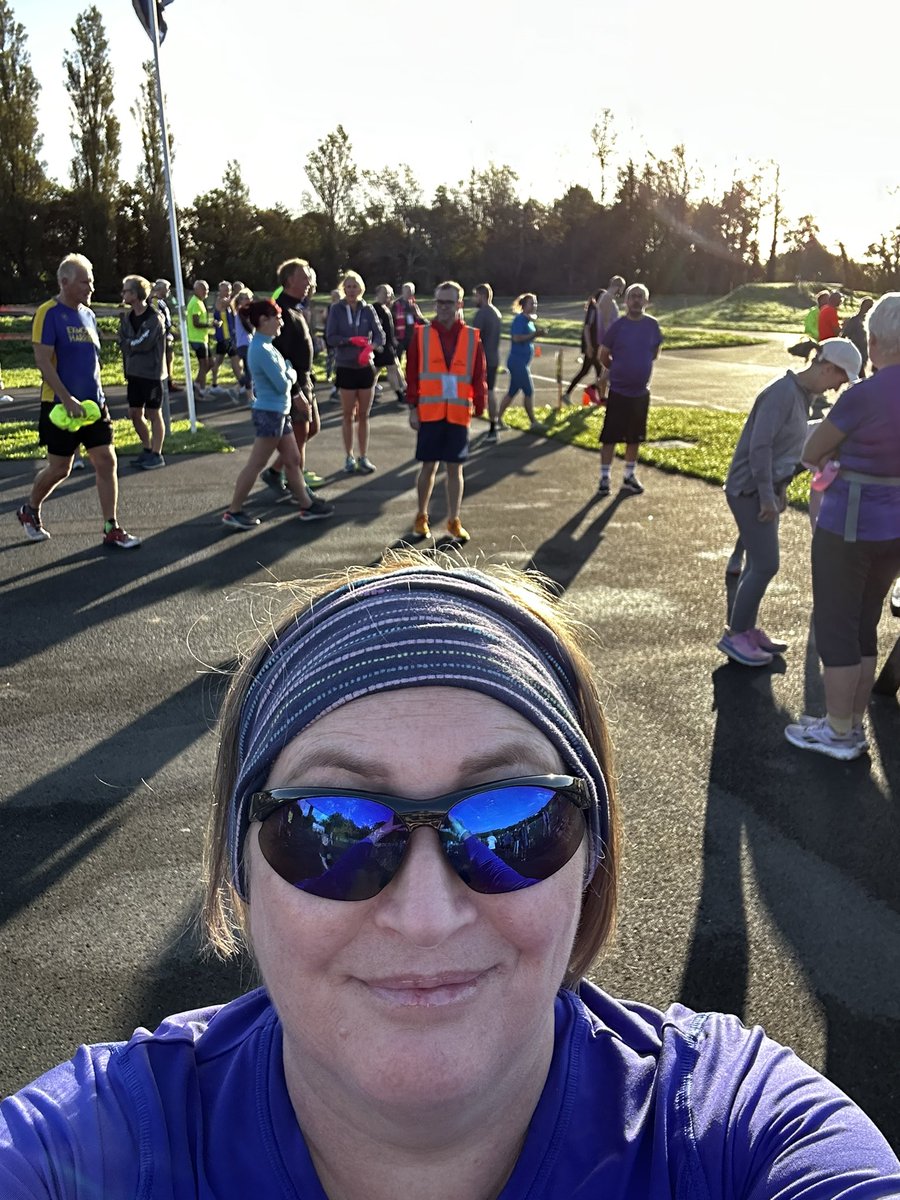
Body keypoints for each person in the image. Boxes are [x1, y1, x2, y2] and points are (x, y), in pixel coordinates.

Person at [4, 555, 900, 1196]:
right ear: (237, 869)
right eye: (332, 829)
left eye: (511, 821)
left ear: (592, 859)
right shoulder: (93, 1150)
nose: (426, 917)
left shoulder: (729, 1137)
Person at [784, 294, 900, 759]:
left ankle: (838, 733)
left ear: (873, 341)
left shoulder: (862, 395)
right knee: (865, 623)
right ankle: (848, 724)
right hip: (895, 527)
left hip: (850, 524)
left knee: (836, 625)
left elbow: (812, 452)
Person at [717, 339, 861, 667]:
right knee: (766, 564)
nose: (839, 386)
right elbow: (761, 448)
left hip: (762, 490)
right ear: (827, 368)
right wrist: (767, 495)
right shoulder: (782, 393)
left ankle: (745, 630)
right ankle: (736, 635)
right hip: (749, 492)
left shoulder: (801, 396)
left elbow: (786, 448)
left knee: (758, 564)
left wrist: (778, 489)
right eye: (840, 378)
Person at [16, 253, 140, 549]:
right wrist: (67, 398)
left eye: (92, 282)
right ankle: (30, 509)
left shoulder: (89, 315)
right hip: (60, 407)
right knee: (60, 468)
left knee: (106, 461)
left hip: (93, 405)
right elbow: (43, 361)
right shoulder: (48, 313)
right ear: (64, 282)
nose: (90, 288)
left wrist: (97, 396)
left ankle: (111, 526)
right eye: (85, 282)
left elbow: (91, 361)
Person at [222, 299, 333, 530]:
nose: (281, 321)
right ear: (264, 320)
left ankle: (306, 505)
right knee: (257, 464)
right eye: (277, 317)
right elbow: (283, 384)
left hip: (279, 413)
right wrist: (291, 372)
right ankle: (234, 511)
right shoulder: (261, 349)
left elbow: (284, 374)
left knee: (292, 460)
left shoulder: (268, 346)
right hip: (269, 413)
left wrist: (288, 371)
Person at [407, 280, 486, 542]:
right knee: (428, 466)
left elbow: (478, 374)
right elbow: (413, 374)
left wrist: (481, 403)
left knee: (455, 469)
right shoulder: (422, 334)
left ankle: (453, 520)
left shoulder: (472, 337)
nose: (442, 307)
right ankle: (421, 516)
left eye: (448, 302)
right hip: (430, 412)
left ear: (459, 304)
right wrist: (412, 408)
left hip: (458, 413)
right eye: (439, 302)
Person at [261, 258, 325, 498]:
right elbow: (282, 356)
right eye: (305, 276)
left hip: (304, 379)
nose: (310, 281)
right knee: (298, 435)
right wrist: (296, 390)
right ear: (290, 281)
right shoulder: (281, 311)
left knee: (312, 428)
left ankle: (276, 471)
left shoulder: (296, 307)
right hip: (293, 383)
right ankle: (300, 490)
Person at [596, 282, 663, 496]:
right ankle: (605, 478)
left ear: (646, 301)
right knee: (610, 437)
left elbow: (654, 352)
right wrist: (617, 369)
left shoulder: (652, 326)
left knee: (635, 437)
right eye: (632, 296)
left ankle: (628, 476)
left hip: (640, 392)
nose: (636, 300)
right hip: (619, 392)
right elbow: (603, 354)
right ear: (626, 301)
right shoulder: (618, 326)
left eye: (640, 296)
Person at [324, 270, 384, 474]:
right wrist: (348, 341)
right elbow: (330, 337)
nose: (351, 290)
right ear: (344, 289)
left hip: (365, 367)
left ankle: (363, 456)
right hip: (346, 367)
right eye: (348, 286)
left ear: (361, 289)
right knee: (348, 414)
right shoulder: (336, 309)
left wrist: (370, 347)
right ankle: (349, 456)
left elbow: (380, 336)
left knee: (364, 415)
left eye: (354, 286)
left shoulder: (368, 310)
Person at [118, 274, 167, 470]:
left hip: (151, 374)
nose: (123, 294)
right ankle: (147, 449)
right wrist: (130, 344)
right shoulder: (126, 318)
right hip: (134, 373)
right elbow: (122, 342)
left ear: (137, 293)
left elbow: (144, 343)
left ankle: (157, 454)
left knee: (153, 413)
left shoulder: (155, 318)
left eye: (127, 291)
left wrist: (130, 344)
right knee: (134, 413)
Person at [498, 293, 544, 434]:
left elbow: (530, 329)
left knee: (512, 392)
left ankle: (497, 419)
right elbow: (517, 338)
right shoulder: (519, 320)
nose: (534, 306)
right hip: (517, 362)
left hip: (522, 362)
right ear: (524, 305)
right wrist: (534, 335)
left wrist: (538, 333)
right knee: (529, 391)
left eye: (535, 303)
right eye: (532, 303)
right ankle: (533, 422)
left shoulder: (528, 320)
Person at [471, 282, 502, 441]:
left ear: (482, 296)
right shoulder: (496, 312)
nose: (474, 298)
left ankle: (491, 429)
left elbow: (474, 338)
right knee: (491, 391)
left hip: (483, 359)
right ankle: (494, 425)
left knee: (484, 392)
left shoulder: (482, 314)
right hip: (494, 357)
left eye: (476, 295)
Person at [371, 284, 407, 404]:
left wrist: (393, 340)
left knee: (391, 367)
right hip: (381, 345)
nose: (387, 295)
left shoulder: (386, 308)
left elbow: (388, 328)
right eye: (384, 293)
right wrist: (376, 344)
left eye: (389, 293)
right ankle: (399, 393)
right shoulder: (374, 309)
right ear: (378, 294)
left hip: (388, 344)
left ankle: (404, 389)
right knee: (390, 368)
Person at [210, 280, 243, 396]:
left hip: (228, 337)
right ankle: (242, 383)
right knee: (235, 361)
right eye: (225, 290)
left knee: (218, 361)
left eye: (229, 290)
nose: (228, 292)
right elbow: (232, 302)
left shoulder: (228, 302)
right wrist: (240, 293)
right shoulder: (221, 302)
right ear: (220, 291)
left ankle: (213, 385)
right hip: (225, 337)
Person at [150, 278, 179, 393]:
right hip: (161, 335)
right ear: (160, 289)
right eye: (167, 289)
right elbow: (156, 319)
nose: (168, 291)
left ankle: (169, 380)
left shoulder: (162, 301)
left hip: (167, 333)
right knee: (165, 358)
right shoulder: (155, 301)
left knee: (169, 357)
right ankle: (165, 382)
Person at [186, 279, 212, 397]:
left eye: (207, 289)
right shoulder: (196, 303)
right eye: (204, 289)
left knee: (210, 363)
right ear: (197, 290)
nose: (206, 291)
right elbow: (196, 323)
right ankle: (201, 389)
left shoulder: (200, 302)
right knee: (204, 365)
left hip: (203, 338)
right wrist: (211, 325)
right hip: (197, 339)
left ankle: (196, 383)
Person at [391, 279, 425, 363]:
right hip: (399, 336)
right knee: (397, 360)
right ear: (402, 291)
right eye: (406, 291)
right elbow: (391, 321)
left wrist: (430, 324)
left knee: (412, 359)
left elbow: (420, 319)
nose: (408, 293)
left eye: (410, 291)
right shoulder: (396, 304)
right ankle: (396, 375)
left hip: (410, 336)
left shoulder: (413, 305)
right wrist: (393, 337)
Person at [231, 286, 255, 404]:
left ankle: (247, 394)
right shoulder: (241, 312)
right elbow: (249, 328)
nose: (248, 300)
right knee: (249, 371)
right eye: (245, 298)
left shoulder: (244, 312)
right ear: (240, 301)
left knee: (248, 370)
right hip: (244, 344)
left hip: (246, 343)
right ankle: (245, 394)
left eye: (249, 298)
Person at [841, 296, 874, 378]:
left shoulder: (871, 321)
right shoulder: (854, 320)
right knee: (859, 372)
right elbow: (844, 335)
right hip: (856, 349)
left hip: (865, 350)